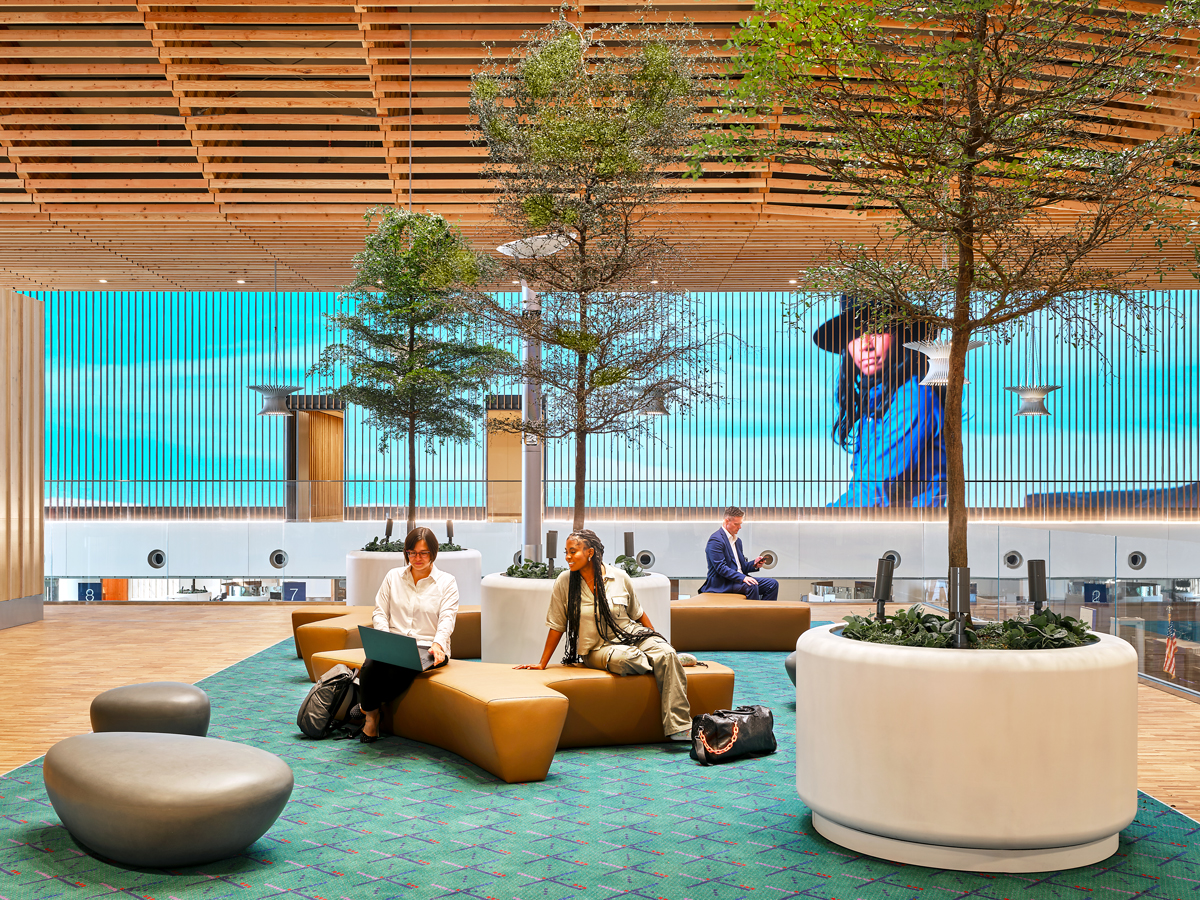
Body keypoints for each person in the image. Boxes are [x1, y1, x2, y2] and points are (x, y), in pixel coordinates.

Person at [515, 530, 693, 742]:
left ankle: (679, 726)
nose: (567, 558)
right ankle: (667, 661)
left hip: (631, 634)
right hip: (598, 648)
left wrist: (660, 642)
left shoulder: (619, 577)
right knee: (628, 659)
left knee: (664, 651)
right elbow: (557, 625)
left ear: (590, 552)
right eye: (566, 552)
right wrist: (542, 663)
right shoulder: (565, 581)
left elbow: (638, 615)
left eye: (573, 552)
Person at [813, 296, 946, 507]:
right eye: (856, 335)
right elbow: (863, 487)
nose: (866, 345)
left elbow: (875, 486)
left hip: (908, 530)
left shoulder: (912, 398)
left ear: (902, 337)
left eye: (876, 331)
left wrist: (820, 520)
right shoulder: (878, 403)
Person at [358, 526, 459, 743]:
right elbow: (380, 612)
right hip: (394, 641)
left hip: (428, 647)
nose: (417, 558)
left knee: (398, 669)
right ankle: (372, 716)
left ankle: (366, 708)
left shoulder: (447, 582)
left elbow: (447, 619)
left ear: (433, 552)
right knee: (368, 667)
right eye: (412, 553)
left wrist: (439, 644)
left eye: (423, 553)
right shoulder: (393, 577)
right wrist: (384, 639)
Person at [698, 506, 779, 601]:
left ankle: (764, 614)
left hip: (737, 580)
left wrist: (755, 565)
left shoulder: (737, 541)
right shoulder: (716, 540)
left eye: (740, 524)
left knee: (773, 584)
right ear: (726, 521)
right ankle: (753, 615)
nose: (740, 527)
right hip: (723, 583)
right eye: (736, 524)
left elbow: (742, 567)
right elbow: (721, 568)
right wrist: (743, 577)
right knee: (752, 586)